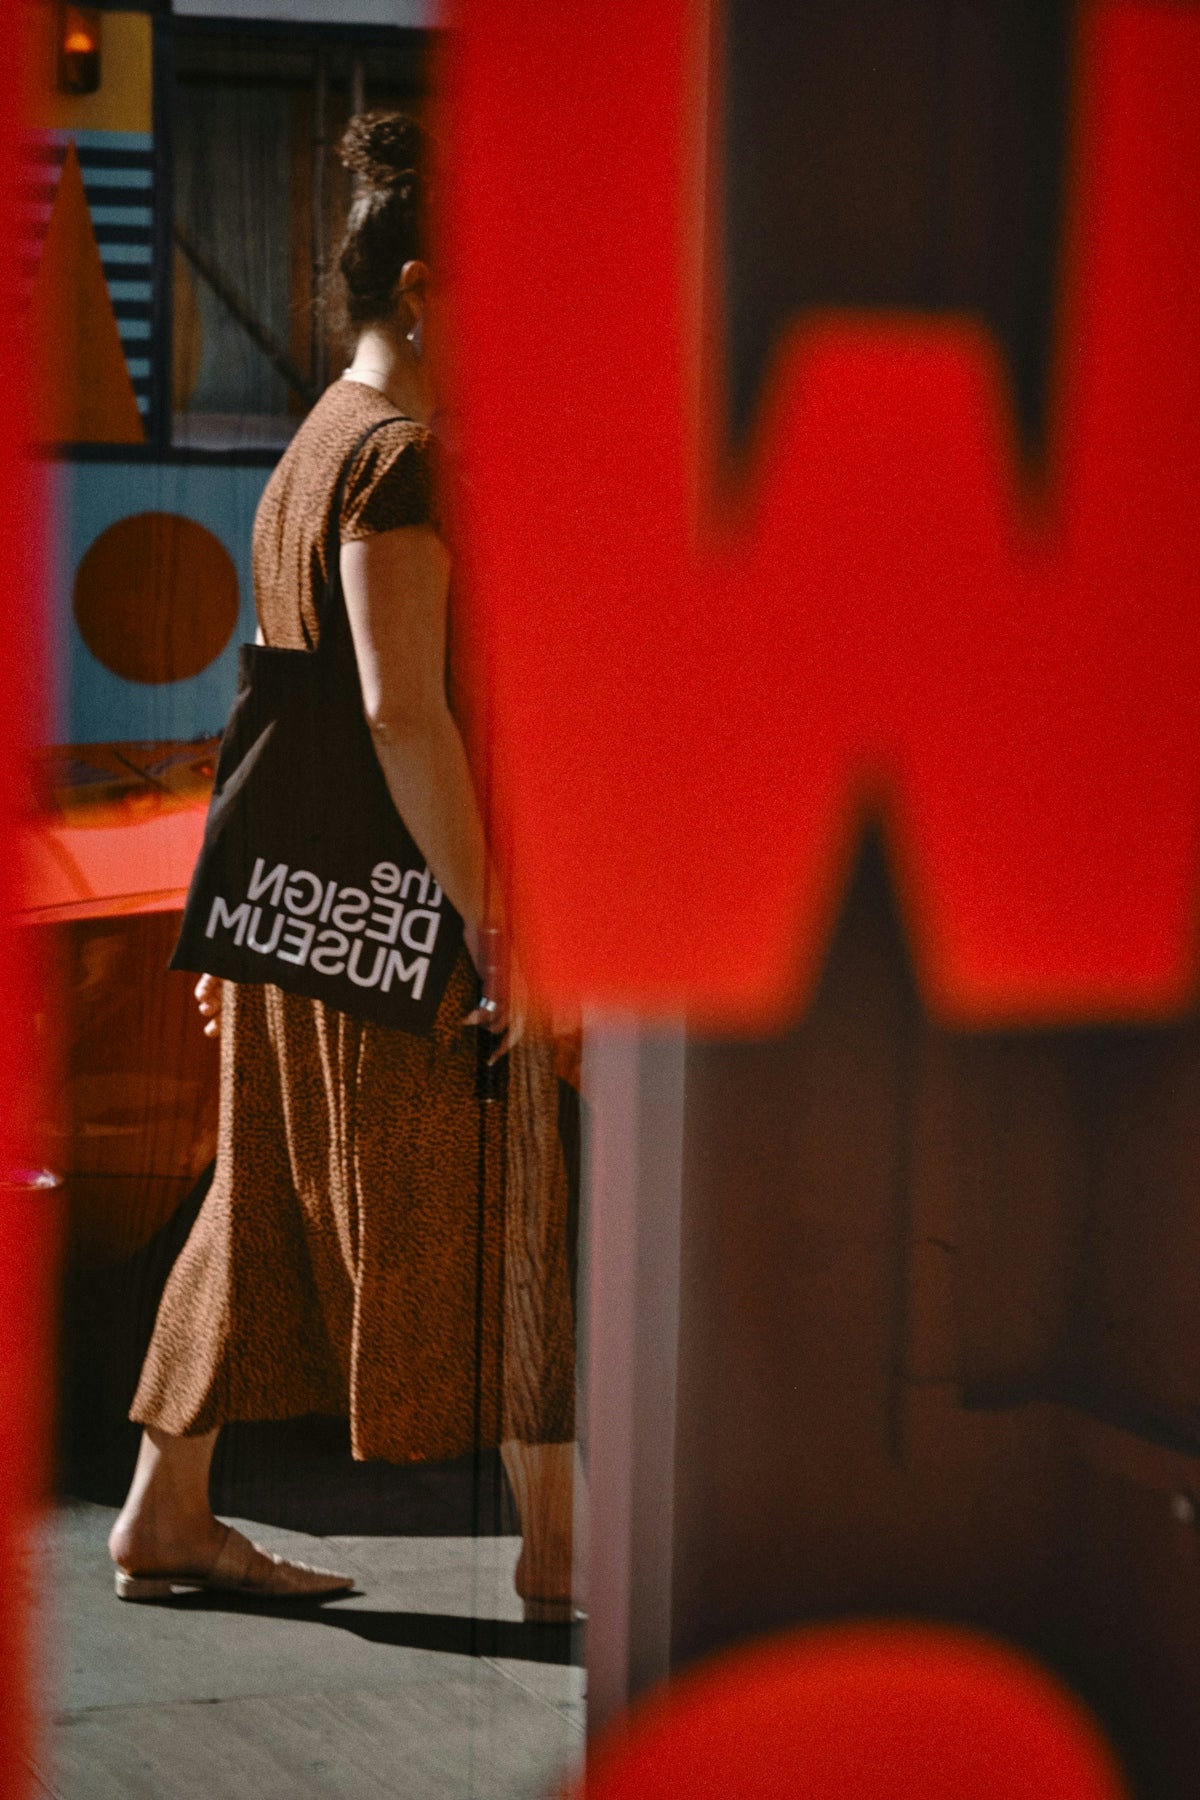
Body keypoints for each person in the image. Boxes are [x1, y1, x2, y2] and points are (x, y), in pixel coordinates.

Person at [108, 112, 578, 1617]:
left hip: (307, 910)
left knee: (258, 1206)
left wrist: (237, 922)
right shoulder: (406, 465)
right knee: (509, 1203)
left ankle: (164, 1515)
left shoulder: (315, 442)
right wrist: (496, 928)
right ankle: (566, 1545)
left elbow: (285, 705)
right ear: (430, 287)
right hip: (404, 920)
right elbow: (396, 707)